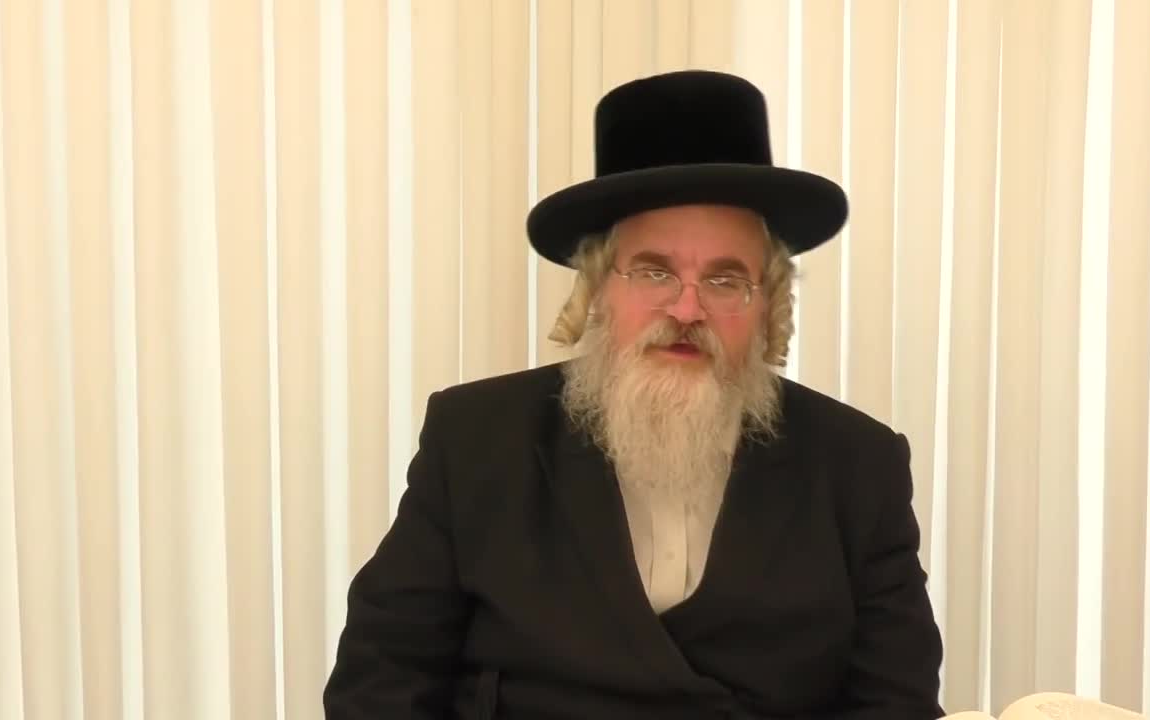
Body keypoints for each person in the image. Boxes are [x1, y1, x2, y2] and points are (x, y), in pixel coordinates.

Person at [324, 70, 944, 719]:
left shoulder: (858, 464)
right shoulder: (476, 439)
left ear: (768, 305)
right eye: (653, 272)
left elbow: (895, 702)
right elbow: (381, 682)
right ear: (598, 290)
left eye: (726, 280)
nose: (687, 308)